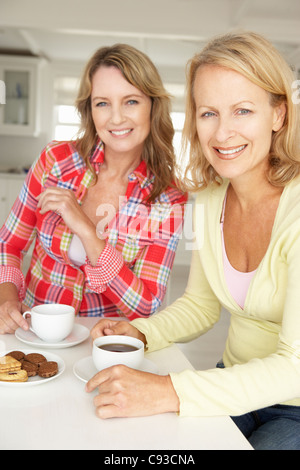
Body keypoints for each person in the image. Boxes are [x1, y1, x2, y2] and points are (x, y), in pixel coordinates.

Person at [86, 31, 300, 450]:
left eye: (242, 110)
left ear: (278, 114)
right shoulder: (208, 198)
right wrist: (140, 332)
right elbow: (201, 306)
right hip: (231, 383)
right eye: (208, 113)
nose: (222, 133)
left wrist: (169, 390)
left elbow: (295, 367)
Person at [0, 44, 187, 334]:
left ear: (153, 105)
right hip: (34, 334)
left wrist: (86, 229)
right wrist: (7, 299)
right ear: (89, 110)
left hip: (101, 345)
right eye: (102, 103)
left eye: (131, 101)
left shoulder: (167, 198)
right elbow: (9, 244)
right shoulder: (55, 161)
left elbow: (146, 305)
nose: (116, 118)